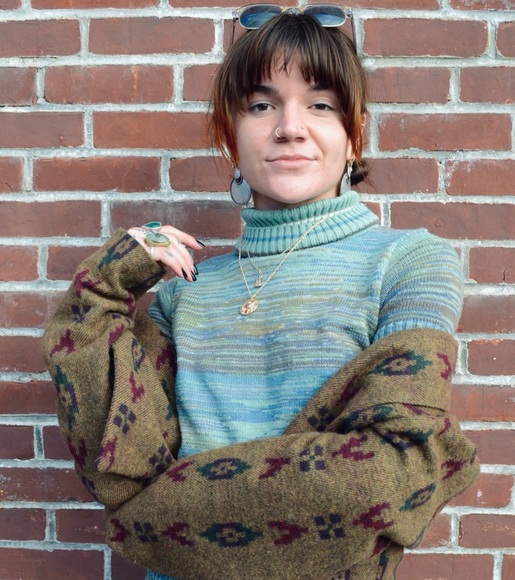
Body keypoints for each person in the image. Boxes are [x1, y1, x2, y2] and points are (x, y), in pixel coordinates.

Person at [42, 7, 479, 579]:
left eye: (321, 105)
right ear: (230, 135)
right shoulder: (185, 294)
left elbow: (390, 472)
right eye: (261, 105)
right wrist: (104, 290)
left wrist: (163, 511)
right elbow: (121, 469)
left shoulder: (409, 262)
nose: (290, 127)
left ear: (354, 134)